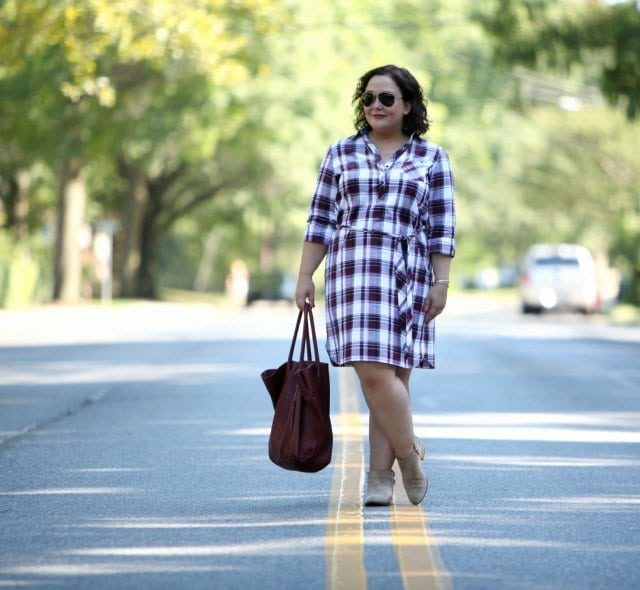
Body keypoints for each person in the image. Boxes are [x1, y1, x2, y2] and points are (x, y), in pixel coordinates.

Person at [295, 65, 455, 506]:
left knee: (393, 379)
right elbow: (320, 220)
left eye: (386, 98)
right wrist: (305, 274)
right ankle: (409, 457)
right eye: (368, 98)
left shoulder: (432, 159)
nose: (375, 106)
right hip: (352, 273)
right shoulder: (340, 154)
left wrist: (441, 282)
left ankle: (380, 478)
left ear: (407, 105)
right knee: (373, 373)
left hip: (408, 274)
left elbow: (442, 227)